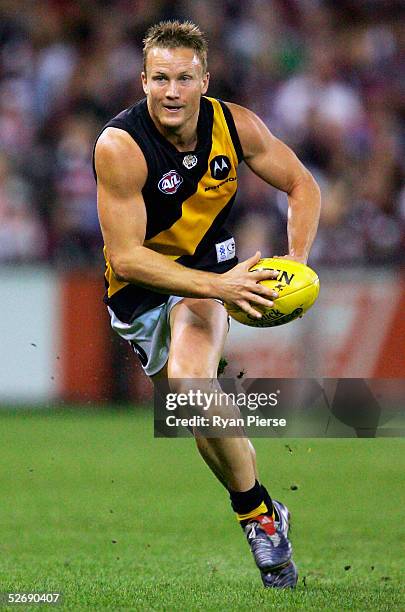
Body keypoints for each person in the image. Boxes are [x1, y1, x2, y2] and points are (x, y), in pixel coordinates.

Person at [93, 20, 320, 589]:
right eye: (161, 78)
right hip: (140, 291)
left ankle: (259, 520)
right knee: (193, 411)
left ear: (205, 81)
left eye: (185, 79)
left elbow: (302, 186)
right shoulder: (120, 146)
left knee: (192, 383)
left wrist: (296, 262)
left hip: (204, 281)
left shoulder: (236, 126)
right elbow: (126, 259)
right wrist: (224, 287)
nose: (172, 92)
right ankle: (262, 507)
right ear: (143, 82)